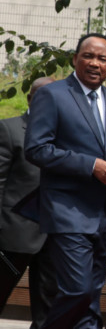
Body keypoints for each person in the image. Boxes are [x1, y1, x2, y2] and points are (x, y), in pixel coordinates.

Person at [24, 33, 106, 329]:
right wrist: (90, 165)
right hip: (66, 211)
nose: (94, 63)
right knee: (78, 290)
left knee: (91, 298)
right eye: (88, 56)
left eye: (102, 59)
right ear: (75, 59)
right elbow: (37, 148)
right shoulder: (53, 95)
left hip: (103, 214)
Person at [0, 76, 56, 328]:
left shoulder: (66, 134)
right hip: (13, 235)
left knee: (47, 311)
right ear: (30, 98)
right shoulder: (9, 129)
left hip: (53, 237)